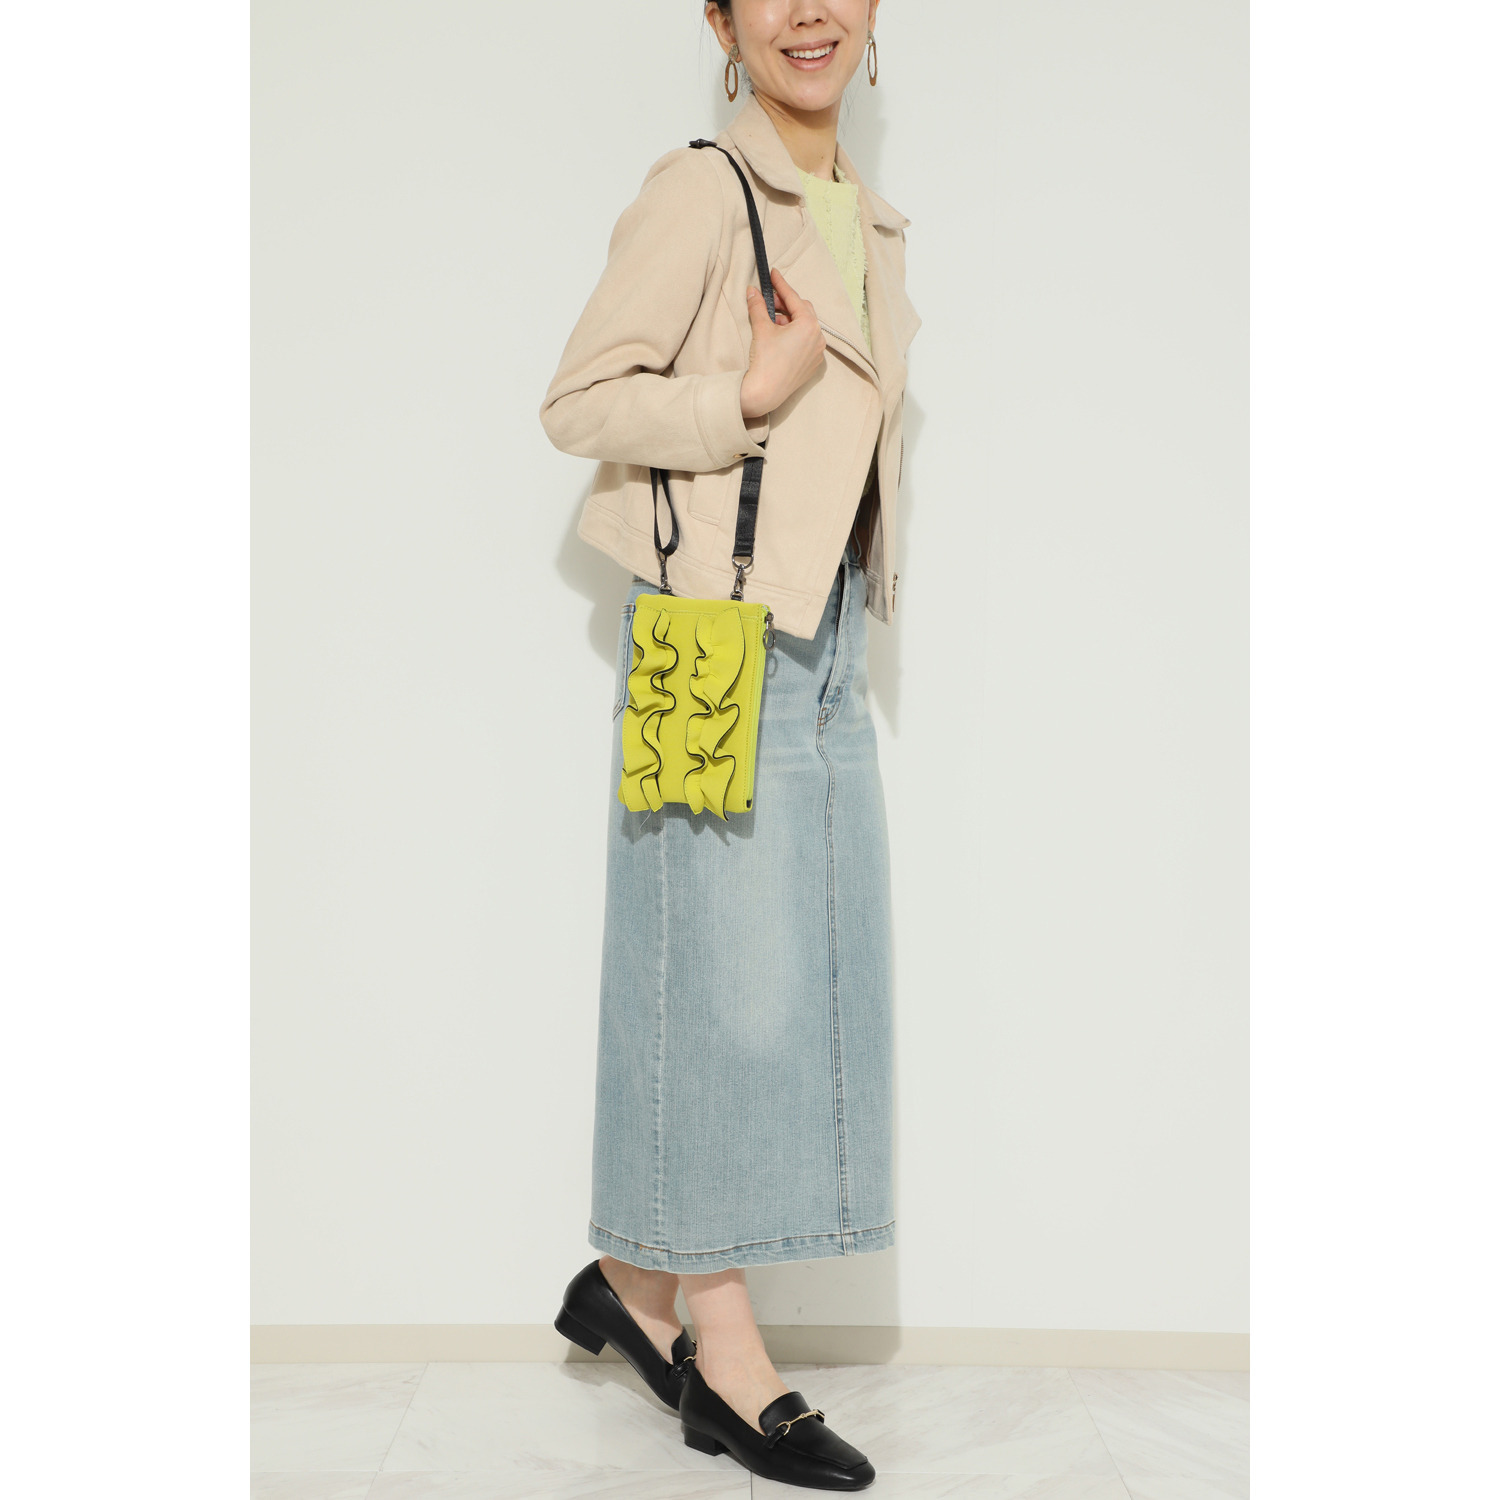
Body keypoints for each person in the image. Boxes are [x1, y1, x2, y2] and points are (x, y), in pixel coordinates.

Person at [539, 2, 917, 1488]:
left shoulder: (868, 217)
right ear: (721, 17)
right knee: (724, 991)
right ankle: (724, 1348)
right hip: (714, 630)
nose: (809, 11)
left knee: (795, 979)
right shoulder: (703, 189)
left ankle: (632, 1288)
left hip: (824, 640)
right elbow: (578, 400)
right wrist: (744, 398)